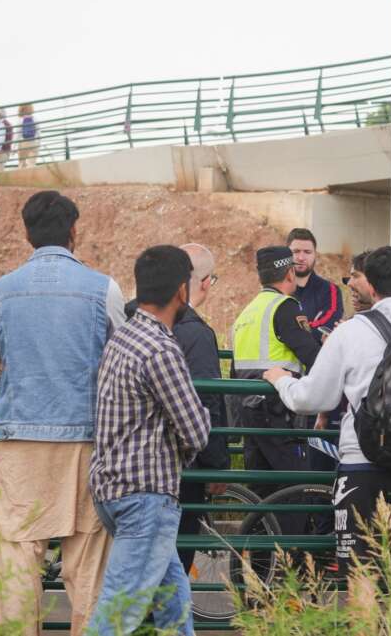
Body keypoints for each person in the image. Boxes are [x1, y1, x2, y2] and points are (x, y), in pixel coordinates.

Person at [262, 246, 391, 636]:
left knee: (363, 569)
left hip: (362, 465)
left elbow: (312, 398)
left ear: (370, 285)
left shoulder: (352, 331)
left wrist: (279, 379)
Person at [0, 190, 126, 635]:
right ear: (73, 232)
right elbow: (120, 357)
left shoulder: (0, 290)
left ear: (27, 233)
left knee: (19, 558)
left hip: (20, 438)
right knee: (87, 561)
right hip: (86, 438)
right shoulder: (104, 288)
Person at [88, 245, 211, 636]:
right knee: (117, 613)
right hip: (147, 496)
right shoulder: (161, 348)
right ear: (181, 290)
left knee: (174, 605)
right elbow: (196, 430)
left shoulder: (123, 337)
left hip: (112, 488)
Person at [231, 246, 320, 501]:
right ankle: (291, 542)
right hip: (279, 413)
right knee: (294, 490)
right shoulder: (285, 307)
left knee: (262, 492)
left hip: (250, 413)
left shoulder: (247, 312)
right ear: (290, 274)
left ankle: (261, 540)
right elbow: (313, 356)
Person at [174, 244, 230, 574]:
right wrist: (216, 464)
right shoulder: (196, 332)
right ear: (206, 282)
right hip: (187, 464)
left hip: (137, 462)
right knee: (178, 555)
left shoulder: (135, 317)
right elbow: (208, 400)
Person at [286, 228, 344, 342]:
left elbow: (327, 329)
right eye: (296, 251)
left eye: (307, 252)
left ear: (315, 255)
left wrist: (290, 330)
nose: (301, 258)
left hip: (315, 359)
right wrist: (311, 327)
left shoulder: (330, 291)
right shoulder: (277, 290)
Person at [0, 108, 14, 173]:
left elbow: (1, 138)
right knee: (0, 167)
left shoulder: (2, 124)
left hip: (2, 150)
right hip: (7, 149)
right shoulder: (7, 123)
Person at [18, 103, 39, 168]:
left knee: (21, 163)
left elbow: (17, 133)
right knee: (32, 163)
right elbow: (38, 131)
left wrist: (14, 146)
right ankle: (32, 176)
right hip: (33, 141)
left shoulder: (20, 120)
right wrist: (39, 142)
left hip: (23, 142)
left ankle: (21, 175)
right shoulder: (35, 118)